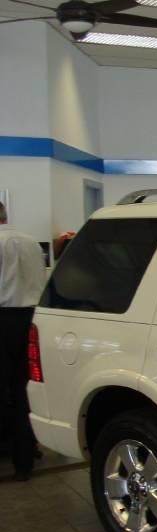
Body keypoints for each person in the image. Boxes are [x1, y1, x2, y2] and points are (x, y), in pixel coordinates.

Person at [0, 201, 46, 480]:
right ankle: (25, 460)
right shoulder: (31, 243)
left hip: (1, 318)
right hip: (30, 318)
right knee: (24, 390)